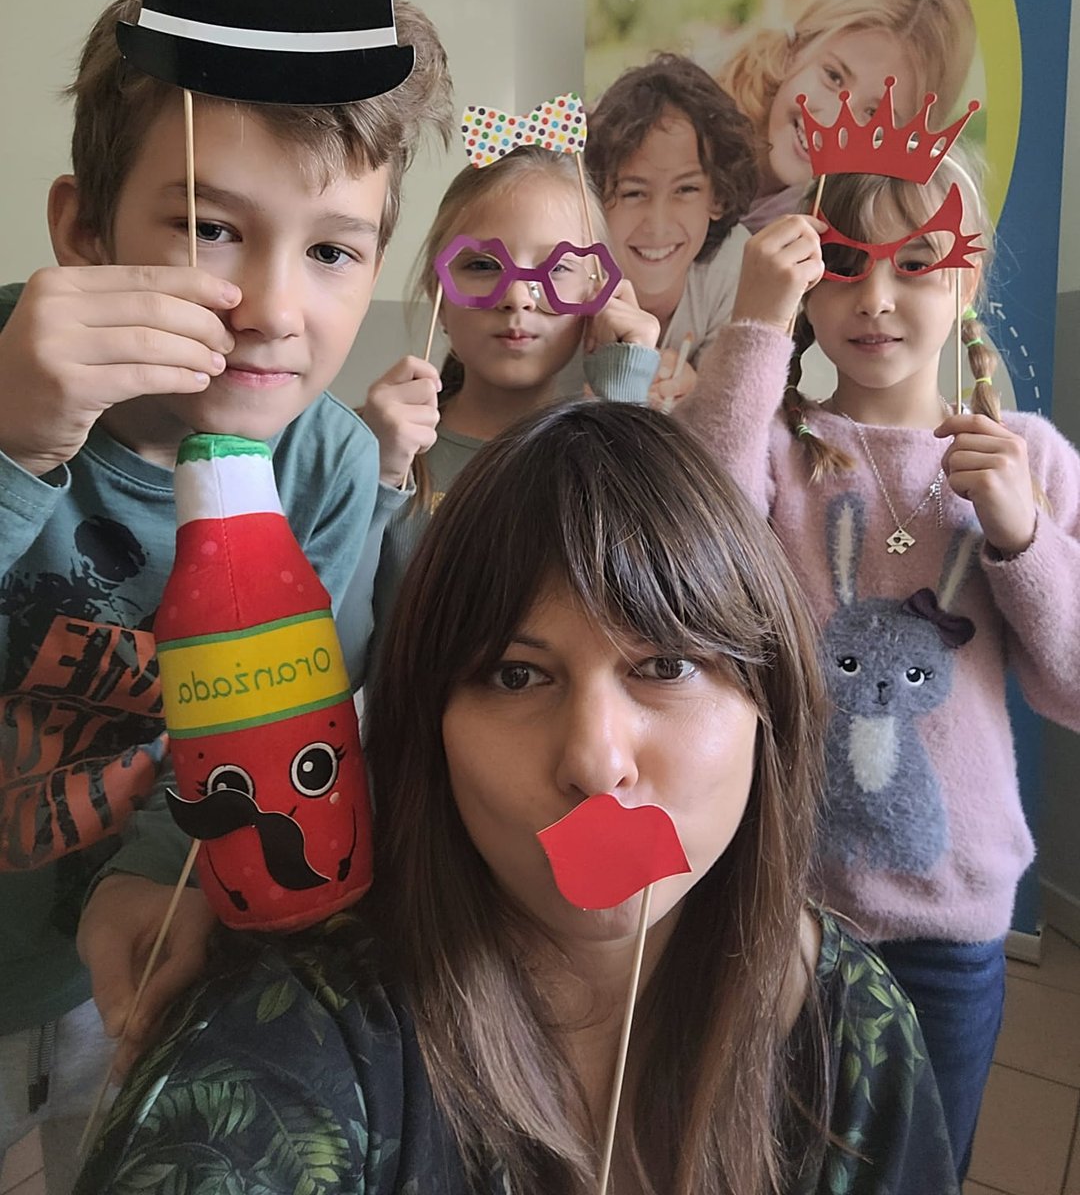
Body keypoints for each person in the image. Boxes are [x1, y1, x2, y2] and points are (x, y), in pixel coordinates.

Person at [75, 401, 958, 1195]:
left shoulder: (850, 1021)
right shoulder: (303, 1035)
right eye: (515, 674)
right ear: (430, 729)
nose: (595, 764)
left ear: (772, 706)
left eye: (665, 665)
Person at [0, 0, 452, 1192]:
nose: (274, 311)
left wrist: (152, 871)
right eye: (208, 227)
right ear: (83, 230)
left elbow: (265, 724)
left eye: (332, 250)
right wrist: (15, 448)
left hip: (117, 953)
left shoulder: (328, 467)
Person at [681, 153, 1080, 1181]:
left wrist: (1023, 536)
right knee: (769, 1164)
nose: (878, 297)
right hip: (778, 915)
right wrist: (756, 325)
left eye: (917, 261)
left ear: (967, 276)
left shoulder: (1029, 459)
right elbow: (690, 571)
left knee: (918, 1169)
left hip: (951, 927)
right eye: (846, 263)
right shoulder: (774, 447)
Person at [363, 144, 661, 623]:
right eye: (483, 266)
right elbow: (340, 634)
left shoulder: (625, 447)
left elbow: (640, 612)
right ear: (437, 294)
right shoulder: (380, 445)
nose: (518, 297)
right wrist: (374, 475)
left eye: (558, 267)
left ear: (600, 293)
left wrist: (623, 403)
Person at [718, 0, 975, 234]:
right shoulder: (696, 120)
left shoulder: (854, 237)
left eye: (873, 114)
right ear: (795, 48)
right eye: (834, 77)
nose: (830, 124)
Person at [585, 53, 759, 408]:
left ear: (719, 196)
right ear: (596, 198)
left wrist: (697, 392)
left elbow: (734, 411)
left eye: (686, 189)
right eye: (633, 193)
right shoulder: (572, 276)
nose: (658, 225)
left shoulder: (734, 269)